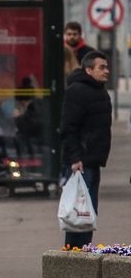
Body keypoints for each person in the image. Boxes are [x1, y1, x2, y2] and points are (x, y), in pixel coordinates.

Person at [60, 50, 112, 248]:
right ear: (88, 70)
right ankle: (74, 256)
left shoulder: (98, 90)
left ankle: (82, 254)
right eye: (102, 67)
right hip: (80, 163)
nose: (106, 71)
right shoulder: (78, 91)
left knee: (87, 213)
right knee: (77, 215)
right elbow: (68, 127)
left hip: (92, 161)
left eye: (107, 67)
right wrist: (74, 158)